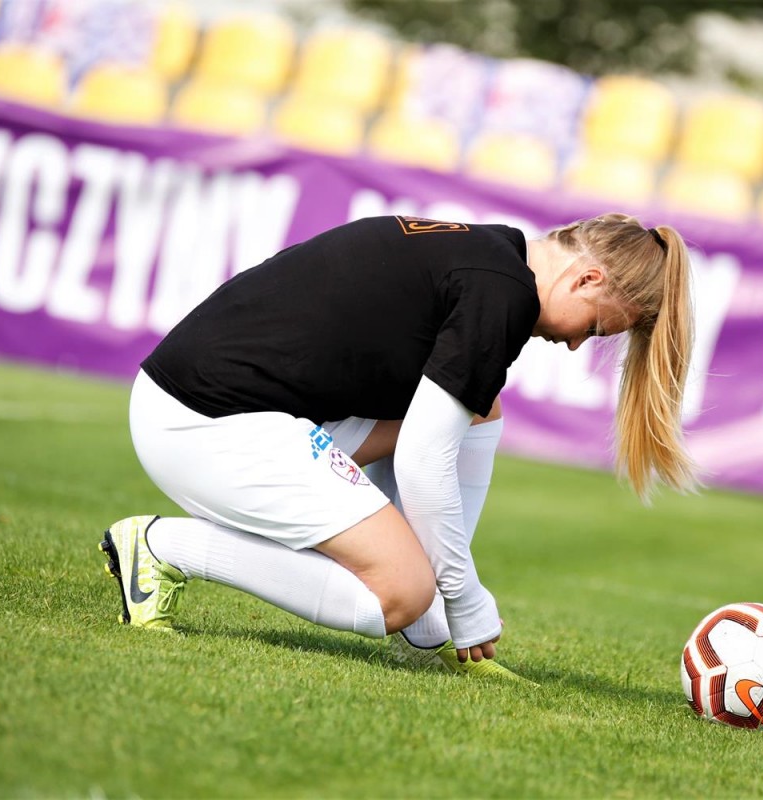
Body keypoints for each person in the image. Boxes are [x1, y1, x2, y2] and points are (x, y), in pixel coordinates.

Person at [99, 213, 698, 681]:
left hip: (206, 403)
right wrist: (464, 596)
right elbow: (422, 459)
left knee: (479, 407)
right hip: (203, 421)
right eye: (593, 328)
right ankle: (162, 547)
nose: (575, 345)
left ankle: (427, 632)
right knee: (401, 591)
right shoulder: (502, 292)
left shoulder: (496, 253)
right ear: (588, 279)